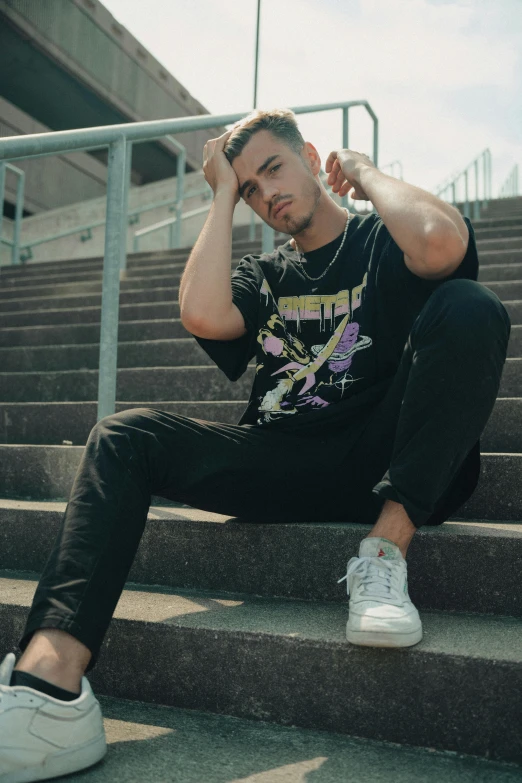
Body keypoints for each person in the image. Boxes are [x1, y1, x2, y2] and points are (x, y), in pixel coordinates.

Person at [0, 107, 511, 782]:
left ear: (311, 158)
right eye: (249, 188)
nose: (266, 192)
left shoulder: (380, 242)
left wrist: (360, 171)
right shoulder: (266, 273)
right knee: (123, 436)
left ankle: (384, 551)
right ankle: (49, 684)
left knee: (471, 304)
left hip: (389, 456)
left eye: (273, 168)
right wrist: (219, 191)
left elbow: (442, 243)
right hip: (283, 456)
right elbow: (202, 313)